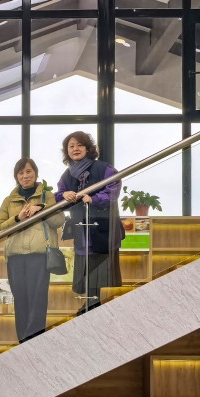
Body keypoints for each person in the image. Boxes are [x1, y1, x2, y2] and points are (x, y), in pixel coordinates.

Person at [0, 158, 66, 343]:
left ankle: (34, 341)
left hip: (39, 255)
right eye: (21, 173)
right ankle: (23, 342)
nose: (25, 176)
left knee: (38, 299)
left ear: (35, 173)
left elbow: (59, 221)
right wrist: (17, 218)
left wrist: (41, 209)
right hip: (15, 257)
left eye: (28, 171)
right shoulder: (8, 201)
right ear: (16, 176)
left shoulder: (47, 196)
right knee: (20, 300)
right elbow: (0, 227)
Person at [55, 131, 124, 314]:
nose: (75, 149)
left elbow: (113, 188)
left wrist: (94, 198)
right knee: (85, 268)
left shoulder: (103, 168)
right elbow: (58, 195)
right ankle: (91, 306)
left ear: (88, 148)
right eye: (71, 146)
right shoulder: (67, 175)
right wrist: (63, 195)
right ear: (67, 151)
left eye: (79, 145)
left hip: (102, 229)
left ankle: (94, 307)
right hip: (82, 231)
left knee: (99, 270)